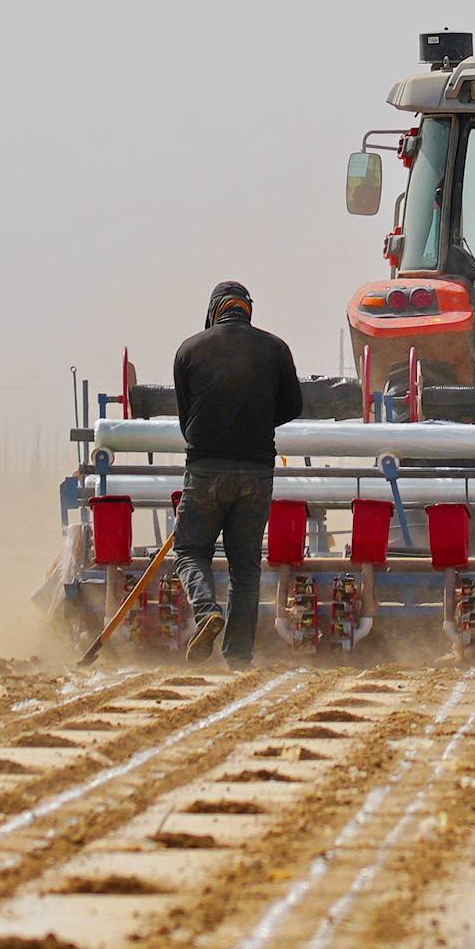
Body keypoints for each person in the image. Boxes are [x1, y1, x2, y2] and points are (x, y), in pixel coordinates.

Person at [168, 279, 303, 663]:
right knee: (245, 568)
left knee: (190, 551)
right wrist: (257, 420)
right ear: (248, 310)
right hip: (256, 471)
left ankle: (206, 611)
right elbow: (293, 406)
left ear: (214, 312)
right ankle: (239, 657)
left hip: (205, 469)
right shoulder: (275, 349)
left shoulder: (189, 350)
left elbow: (186, 420)